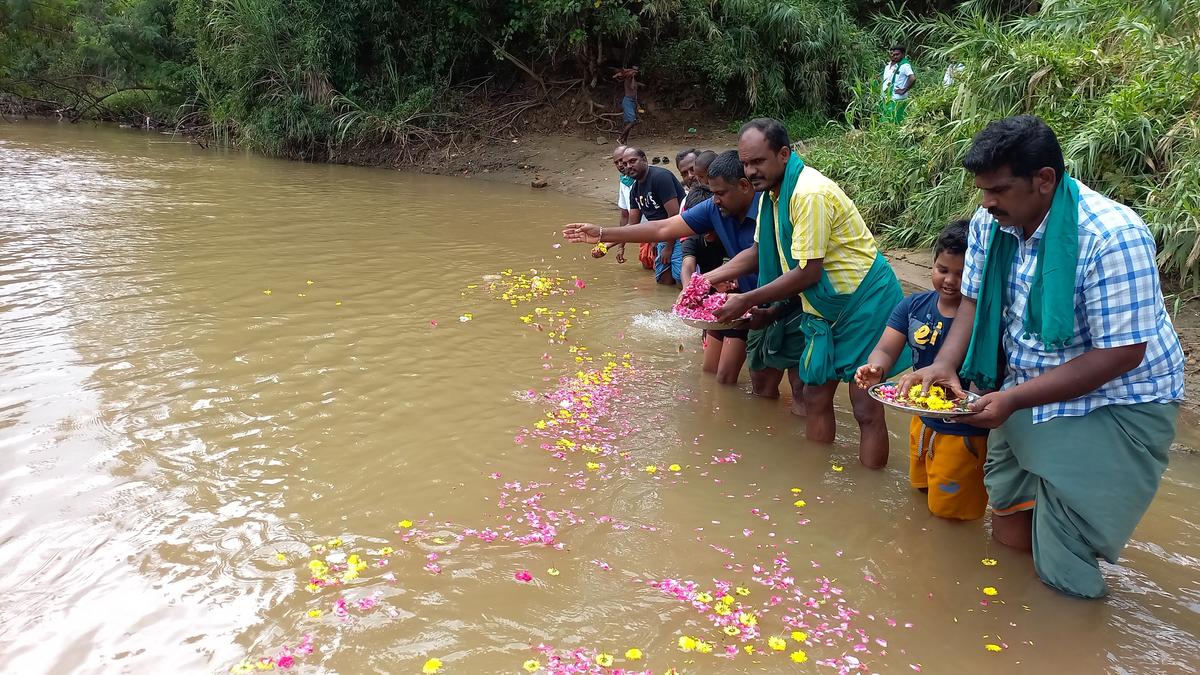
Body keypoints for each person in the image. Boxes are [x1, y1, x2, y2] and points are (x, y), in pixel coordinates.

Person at [899, 115, 1184, 598]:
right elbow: (971, 302)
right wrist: (945, 363)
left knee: (1065, 544)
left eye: (1000, 190)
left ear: (1045, 180)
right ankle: (1016, 616)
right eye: (983, 190)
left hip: (1112, 401)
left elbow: (1122, 353)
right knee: (1008, 511)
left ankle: (1071, 634)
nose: (986, 203)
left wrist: (1012, 400)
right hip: (1026, 386)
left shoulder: (1111, 236)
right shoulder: (993, 224)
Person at [711, 118, 909, 467]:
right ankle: (815, 481)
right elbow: (761, 251)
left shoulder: (808, 193)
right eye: (746, 162)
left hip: (865, 301)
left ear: (784, 154)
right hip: (822, 309)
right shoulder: (772, 197)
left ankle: (866, 492)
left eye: (758, 161)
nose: (751, 170)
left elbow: (808, 271)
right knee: (814, 394)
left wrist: (747, 298)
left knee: (864, 406)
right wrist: (709, 282)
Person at [563, 150, 759, 384]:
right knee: (718, 378)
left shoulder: (768, 210)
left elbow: (755, 255)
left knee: (765, 381)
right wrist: (603, 234)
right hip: (734, 304)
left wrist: (703, 280)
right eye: (712, 192)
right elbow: (662, 228)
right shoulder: (712, 208)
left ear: (745, 186)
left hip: (770, 300)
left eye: (720, 193)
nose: (715, 199)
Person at [855, 221, 989, 520]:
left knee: (950, 514)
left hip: (964, 430)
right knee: (920, 493)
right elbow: (887, 348)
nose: (950, 281)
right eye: (943, 269)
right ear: (933, 263)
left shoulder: (983, 320)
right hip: (921, 420)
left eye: (962, 273)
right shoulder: (913, 306)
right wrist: (877, 367)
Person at [623, 147, 685, 285]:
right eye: (625, 164)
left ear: (644, 159)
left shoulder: (660, 177)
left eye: (632, 161)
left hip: (682, 231)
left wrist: (668, 247)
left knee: (681, 277)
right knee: (663, 280)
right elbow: (632, 224)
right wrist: (610, 243)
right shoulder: (635, 189)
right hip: (662, 235)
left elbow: (674, 215)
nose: (628, 166)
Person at [881, 45, 915, 124]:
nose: (894, 56)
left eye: (897, 54)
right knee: (887, 120)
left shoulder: (904, 65)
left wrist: (904, 90)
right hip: (887, 98)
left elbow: (912, 78)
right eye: (892, 54)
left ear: (902, 55)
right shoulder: (889, 66)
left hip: (897, 98)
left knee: (896, 120)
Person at [612, 145, 633, 264]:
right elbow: (625, 216)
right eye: (617, 162)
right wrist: (621, 247)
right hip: (643, 233)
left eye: (622, 160)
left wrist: (608, 244)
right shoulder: (624, 182)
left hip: (658, 232)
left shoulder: (645, 179)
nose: (620, 164)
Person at [615, 67, 640, 145]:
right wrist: (632, 77)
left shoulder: (634, 81)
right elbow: (632, 88)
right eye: (634, 70)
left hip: (632, 102)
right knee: (632, 121)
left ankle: (624, 141)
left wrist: (637, 104)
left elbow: (635, 94)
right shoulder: (628, 79)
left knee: (631, 122)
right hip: (627, 101)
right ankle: (620, 138)